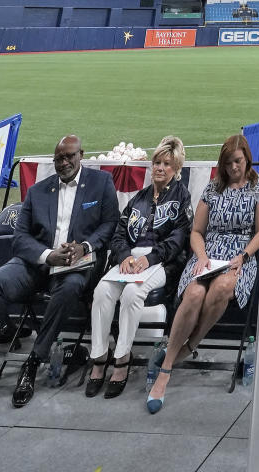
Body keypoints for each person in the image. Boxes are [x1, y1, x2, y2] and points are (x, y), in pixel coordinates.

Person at [0, 134, 119, 414]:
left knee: (67, 289)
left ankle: (34, 361)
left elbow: (110, 223)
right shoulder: (38, 191)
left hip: (77, 264)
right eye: (59, 159)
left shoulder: (101, 183)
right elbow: (19, 238)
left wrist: (84, 247)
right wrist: (47, 255)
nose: (64, 162)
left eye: (70, 156)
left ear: (82, 155)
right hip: (37, 263)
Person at [146, 133, 259, 413]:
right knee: (196, 291)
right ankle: (168, 366)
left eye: (237, 161)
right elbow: (197, 232)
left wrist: (243, 256)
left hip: (240, 254)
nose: (233, 168)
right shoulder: (213, 188)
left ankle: (185, 349)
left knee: (222, 288)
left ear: (246, 158)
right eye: (227, 163)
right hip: (208, 252)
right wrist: (201, 257)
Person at [85, 136, 192, 398]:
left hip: (161, 262)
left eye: (167, 164)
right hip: (130, 259)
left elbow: (180, 238)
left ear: (176, 169)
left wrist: (150, 258)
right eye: (157, 162)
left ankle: (122, 359)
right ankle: (99, 357)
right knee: (101, 292)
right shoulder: (138, 198)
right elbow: (120, 233)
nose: (160, 168)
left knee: (133, 293)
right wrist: (123, 256)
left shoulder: (182, 197)